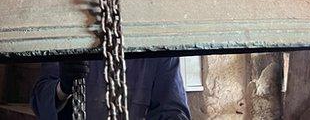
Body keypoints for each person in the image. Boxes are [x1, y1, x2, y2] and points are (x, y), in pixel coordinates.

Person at [31, 58, 191, 119]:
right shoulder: (68, 37)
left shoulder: (159, 51)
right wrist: (63, 88)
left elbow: (172, 111)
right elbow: (40, 104)